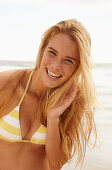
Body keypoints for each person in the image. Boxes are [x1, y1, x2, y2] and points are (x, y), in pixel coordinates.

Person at [0, 19, 97, 170]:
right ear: (42, 49)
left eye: (68, 61)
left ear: (78, 67)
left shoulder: (74, 100)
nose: (56, 66)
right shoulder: (6, 83)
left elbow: (56, 165)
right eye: (52, 53)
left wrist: (53, 118)